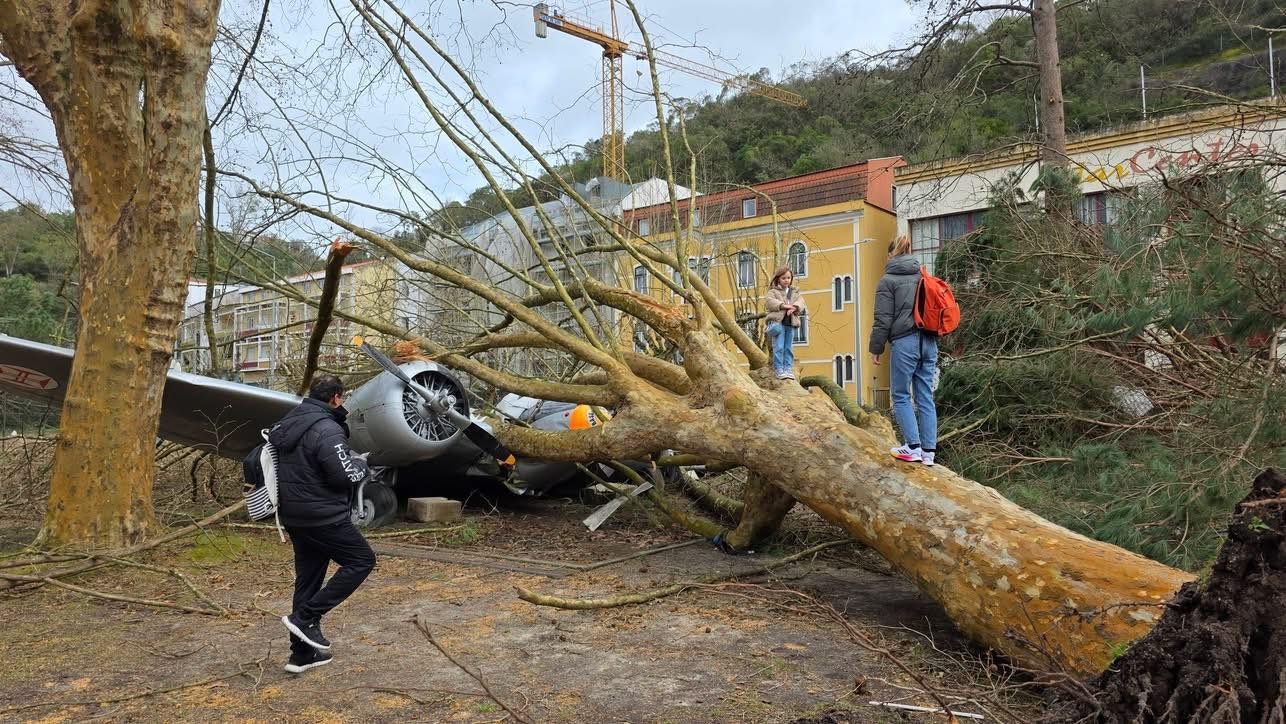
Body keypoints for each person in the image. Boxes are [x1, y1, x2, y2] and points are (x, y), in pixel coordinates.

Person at [270, 375, 375, 674]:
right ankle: (306, 618)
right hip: (323, 516)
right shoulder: (327, 428)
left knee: (308, 579)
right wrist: (362, 466)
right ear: (337, 398)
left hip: (295, 515)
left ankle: (301, 654)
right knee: (361, 560)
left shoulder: (289, 422)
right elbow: (342, 475)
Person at [868, 236, 939, 467]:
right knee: (925, 396)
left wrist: (876, 348)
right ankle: (929, 452)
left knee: (900, 395)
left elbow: (883, 319)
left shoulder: (887, 281)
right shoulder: (924, 276)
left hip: (905, 341)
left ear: (891, 255)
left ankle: (912, 447)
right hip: (929, 341)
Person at [765, 266, 807, 379]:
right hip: (778, 324)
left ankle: (788, 368)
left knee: (788, 347)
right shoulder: (773, 292)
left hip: (790, 323)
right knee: (778, 347)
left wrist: (795, 307)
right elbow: (769, 302)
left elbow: (801, 302)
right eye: (783, 278)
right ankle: (779, 369)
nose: (786, 280)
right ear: (778, 278)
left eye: (788, 277)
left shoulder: (794, 291)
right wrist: (783, 306)